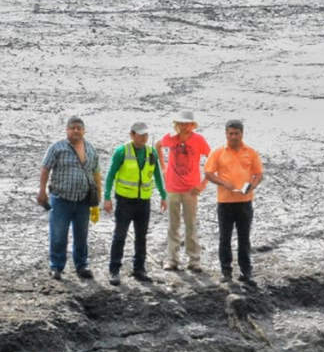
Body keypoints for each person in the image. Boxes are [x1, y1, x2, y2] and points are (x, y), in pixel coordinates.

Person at [37, 116, 100, 280]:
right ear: (67, 130)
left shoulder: (91, 150)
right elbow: (45, 169)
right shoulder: (57, 148)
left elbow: (96, 173)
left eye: (79, 128)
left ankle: (82, 265)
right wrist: (42, 191)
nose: (76, 130)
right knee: (58, 235)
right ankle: (56, 267)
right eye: (73, 128)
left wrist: (97, 198)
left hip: (83, 201)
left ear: (84, 131)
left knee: (82, 235)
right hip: (61, 199)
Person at [103, 122, 167, 285]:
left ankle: (139, 269)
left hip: (143, 201)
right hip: (125, 201)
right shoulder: (122, 152)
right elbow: (110, 175)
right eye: (141, 135)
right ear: (132, 135)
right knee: (120, 235)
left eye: (146, 135)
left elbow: (157, 175)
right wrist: (107, 197)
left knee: (141, 237)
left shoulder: (151, 152)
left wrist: (163, 195)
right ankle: (114, 270)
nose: (144, 138)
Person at [203, 119, 264, 285]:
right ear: (226, 134)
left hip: (245, 202)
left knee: (244, 238)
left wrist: (253, 185)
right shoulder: (218, 152)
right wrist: (223, 183)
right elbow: (208, 173)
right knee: (225, 238)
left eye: (236, 133)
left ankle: (246, 272)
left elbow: (259, 174)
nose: (233, 137)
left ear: (242, 134)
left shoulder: (251, 152)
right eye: (230, 133)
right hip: (225, 202)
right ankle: (226, 272)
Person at [158, 112, 211, 272]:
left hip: (191, 190)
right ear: (177, 124)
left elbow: (212, 158)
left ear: (192, 125)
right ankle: (172, 260)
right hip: (173, 187)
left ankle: (194, 260)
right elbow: (157, 145)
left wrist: (203, 183)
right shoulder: (171, 138)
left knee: (191, 224)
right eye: (181, 123)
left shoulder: (199, 140)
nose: (184, 126)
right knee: (173, 225)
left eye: (187, 124)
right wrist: (163, 167)